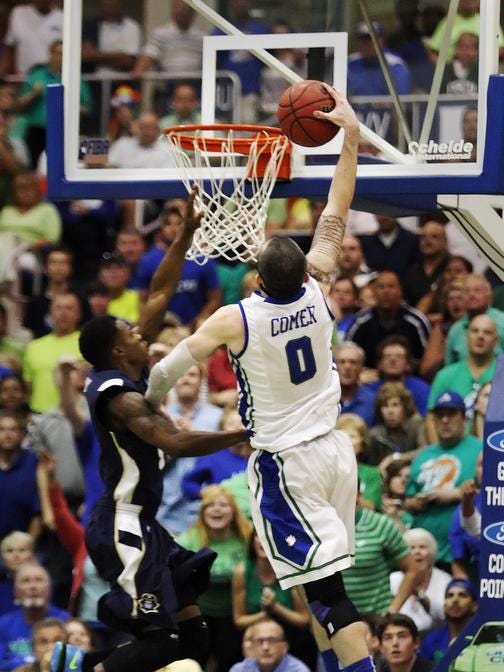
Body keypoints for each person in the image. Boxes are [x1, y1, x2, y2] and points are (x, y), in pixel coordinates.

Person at [146, 88, 379, 672]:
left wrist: (147, 397)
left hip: (288, 465)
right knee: (317, 588)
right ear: (303, 269)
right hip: (334, 452)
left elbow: (175, 363)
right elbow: (336, 207)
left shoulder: (235, 318)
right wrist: (349, 135)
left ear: (255, 276)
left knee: (327, 597)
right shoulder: (322, 286)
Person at [49, 187, 247, 672]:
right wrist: (244, 433)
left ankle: (82, 661)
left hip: (145, 522)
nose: (141, 334)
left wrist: (185, 235)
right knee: (161, 641)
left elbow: (159, 292)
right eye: (131, 334)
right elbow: (175, 442)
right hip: (121, 523)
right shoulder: (119, 397)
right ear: (119, 351)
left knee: (195, 638)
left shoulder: (128, 367)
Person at [176, 485, 252, 672]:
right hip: (198, 614)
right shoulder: (187, 541)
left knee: (229, 661)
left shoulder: (248, 537)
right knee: (195, 662)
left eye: (223, 505)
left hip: (236, 615)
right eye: (210, 505)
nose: (216, 509)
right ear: (202, 512)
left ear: (233, 512)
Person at [405, 391, 481, 568]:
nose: (445, 420)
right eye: (440, 415)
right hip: (425, 552)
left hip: (465, 551)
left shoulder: (480, 449)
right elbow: (408, 499)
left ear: (464, 418)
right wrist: (413, 504)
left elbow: (494, 493)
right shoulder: (423, 456)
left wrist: (455, 494)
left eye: (451, 414)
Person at [232, 529, 316, 670]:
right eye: (260, 537)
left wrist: (275, 607)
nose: (264, 542)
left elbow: (304, 619)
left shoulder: (292, 570)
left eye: (270, 537)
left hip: (294, 638)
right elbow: (239, 620)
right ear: (253, 541)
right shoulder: (242, 571)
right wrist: (265, 613)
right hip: (257, 639)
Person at [346, 271, 431, 370]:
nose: (386, 292)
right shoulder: (361, 321)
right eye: (381, 287)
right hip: (369, 380)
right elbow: (347, 354)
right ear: (374, 292)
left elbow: (427, 360)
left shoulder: (416, 322)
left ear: (400, 291)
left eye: (391, 287)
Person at [0, 562, 68, 671]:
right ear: (15, 591)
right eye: (26, 581)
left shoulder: (66, 622)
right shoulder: (3, 625)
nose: (33, 586)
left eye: (39, 580)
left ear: (50, 589)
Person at [389, 528, 451, 635]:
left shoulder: (445, 579)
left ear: (432, 552)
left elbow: (445, 615)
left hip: (435, 638)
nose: (417, 552)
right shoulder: (393, 579)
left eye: (422, 547)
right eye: (412, 548)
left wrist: (418, 592)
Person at [368, 382, 425, 474]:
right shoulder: (376, 434)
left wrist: (395, 458)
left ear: (405, 407)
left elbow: (425, 451)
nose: (390, 412)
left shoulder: (416, 424)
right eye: (385, 406)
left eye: (395, 405)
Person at [419, 579, 478, 665]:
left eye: (462, 595)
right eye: (450, 595)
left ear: (474, 606)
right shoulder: (432, 640)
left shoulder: (481, 637)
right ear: (445, 606)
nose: (455, 600)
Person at [230, 619, 310, 672]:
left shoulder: (299, 670)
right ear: (252, 647)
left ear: (284, 647)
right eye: (259, 641)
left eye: (272, 641)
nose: (265, 647)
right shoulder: (239, 670)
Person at [334, 342, 376, 426]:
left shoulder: (372, 401)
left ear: (361, 368)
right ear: (334, 366)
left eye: (353, 362)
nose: (347, 367)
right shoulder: (324, 399)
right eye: (342, 362)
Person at [0, 531, 35, 616]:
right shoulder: (2, 587)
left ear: (32, 555)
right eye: (10, 551)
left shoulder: (43, 584)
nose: (16, 555)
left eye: (22, 550)